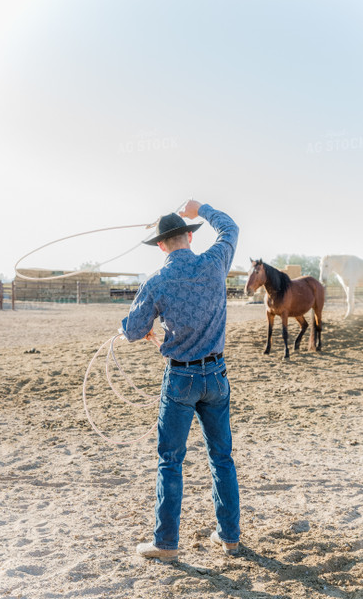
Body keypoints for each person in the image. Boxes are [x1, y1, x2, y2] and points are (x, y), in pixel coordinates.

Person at [120, 199, 240, 562]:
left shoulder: (157, 281)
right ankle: (230, 538)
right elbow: (231, 229)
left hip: (181, 378)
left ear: (160, 245)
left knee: (170, 460)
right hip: (216, 375)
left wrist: (140, 330)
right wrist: (200, 207)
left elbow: (132, 330)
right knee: (222, 457)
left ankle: (166, 544)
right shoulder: (215, 261)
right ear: (189, 236)